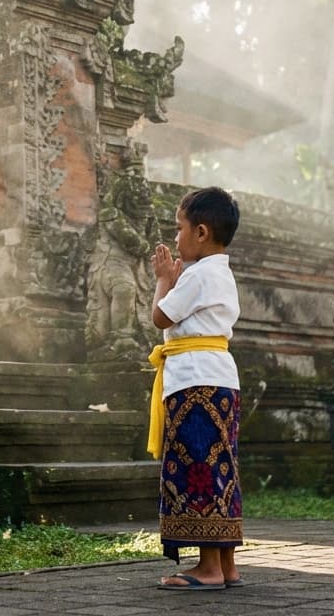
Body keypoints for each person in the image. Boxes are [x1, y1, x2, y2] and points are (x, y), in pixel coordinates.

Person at [147, 186, 243, 591]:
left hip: (195, 381)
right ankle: (226, 564)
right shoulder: (220, 273)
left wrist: (163, 280)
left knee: (199, 468)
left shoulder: (199, 274)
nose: (176, 238)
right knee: (221, 467)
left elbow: (160, 317)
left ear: (201, 232)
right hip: (219, 379)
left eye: (179, 228)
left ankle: (208, 568)